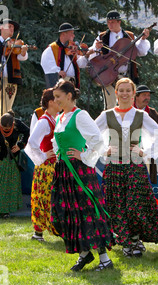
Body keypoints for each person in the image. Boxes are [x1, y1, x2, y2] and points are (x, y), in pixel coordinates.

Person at [95, 77, 158, 258]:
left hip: (135, 166)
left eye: (128, 90)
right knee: (117, 206)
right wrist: (105, 150)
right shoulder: (107, 115)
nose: (125, 93)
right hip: (114, 167)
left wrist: (145, 152)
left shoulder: (141, 115)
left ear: (134, 93)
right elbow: (91, 136)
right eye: (121, 90)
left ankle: (133, 239)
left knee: (135, 206)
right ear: (116, 93)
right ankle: (127, 242)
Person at [49, 80, 115, 271]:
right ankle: (84, 253)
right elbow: (57, 141)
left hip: (79, 171)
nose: (56, 101)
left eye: (58, 97)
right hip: (63, 171)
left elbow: (98, 140)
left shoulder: (80, 115)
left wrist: (83, 155)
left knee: (88, 212)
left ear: (69, 96)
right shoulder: (62, 117)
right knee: (66, 212)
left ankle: (104, 259)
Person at [88, 10, 151, 109]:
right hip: (108, 76)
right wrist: (96, 48)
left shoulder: (129, 36)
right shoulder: (102, 36)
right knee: (110, 105)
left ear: (119, 22)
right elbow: (92, 58)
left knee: (127, 105)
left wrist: (142, 39)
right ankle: (110, 124)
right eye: (108, 22)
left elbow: (141, 52)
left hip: (125, 75)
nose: (110, 25)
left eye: (112, 22)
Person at [25, 88, 61, 241]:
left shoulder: (58, 118)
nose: (61, 101)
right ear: (51, 102)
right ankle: (38, 231)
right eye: (58, 98)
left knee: (55, 197)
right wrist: (43, 156)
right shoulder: (44, 121)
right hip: (46, 167)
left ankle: (58, 228)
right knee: (43, 197)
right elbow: (31, 143)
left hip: (57, 166)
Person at [0, 110, 30, 218]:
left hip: (12, 159)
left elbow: (29, 132)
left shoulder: (18, 124)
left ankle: (7, 210)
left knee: (10, 185)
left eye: (7, 129)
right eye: (3, 128)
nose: (5, 130)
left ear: (12, 124)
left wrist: (20, 145)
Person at [41, 23, 93, 89]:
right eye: (71, 33)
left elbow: (80, 64)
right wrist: (57, 71)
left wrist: (87, 55)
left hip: (72, 82)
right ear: (63, 34)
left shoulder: (72, 48)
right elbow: (46, 63)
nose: (74, 36)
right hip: (59, 83)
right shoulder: (52, 48)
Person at [134, 84, 158, 185]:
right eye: (144, 95)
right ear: (136, 96)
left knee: (147, 183)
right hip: (131, 153)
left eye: (148, 95)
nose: (147, 98)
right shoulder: (129, 112)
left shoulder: (152, 113)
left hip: (147, 153)